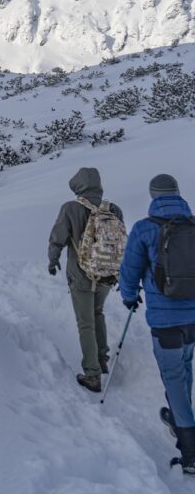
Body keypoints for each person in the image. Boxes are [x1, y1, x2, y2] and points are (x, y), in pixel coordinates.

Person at [120, 174, 195, 473]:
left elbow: (130, 270)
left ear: (153, 195)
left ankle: (189, 451)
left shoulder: (144, 228)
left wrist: (128, 297)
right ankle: (180, 418)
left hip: (165, 322)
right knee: (185, 366)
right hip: (194, 318)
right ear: (178, 193)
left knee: (174, 376)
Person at [48, 167, 124, 392]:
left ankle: (92, 375)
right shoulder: (113, 209)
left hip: (81, 275)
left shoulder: (70, 208)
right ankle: (102, 360)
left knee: (86, 323)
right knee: (97, 313)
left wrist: (53, 260)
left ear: (78, 185)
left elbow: (57, 238)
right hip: (107, 275)